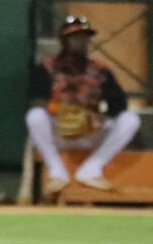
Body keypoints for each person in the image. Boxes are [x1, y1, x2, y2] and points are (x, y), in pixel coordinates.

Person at [26, 16, 141, 194]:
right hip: (60, 132)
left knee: (130, 120)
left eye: (83, 37)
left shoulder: (100, 70)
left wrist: (99, 116)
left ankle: (92, 169)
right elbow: (37, 101)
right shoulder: (47, 68)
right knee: (35, 117)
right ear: (64, 39)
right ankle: (57, 172)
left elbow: (119, 106)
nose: (80, 41)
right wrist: (62, 112)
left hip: (90, 132)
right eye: (74, 37)